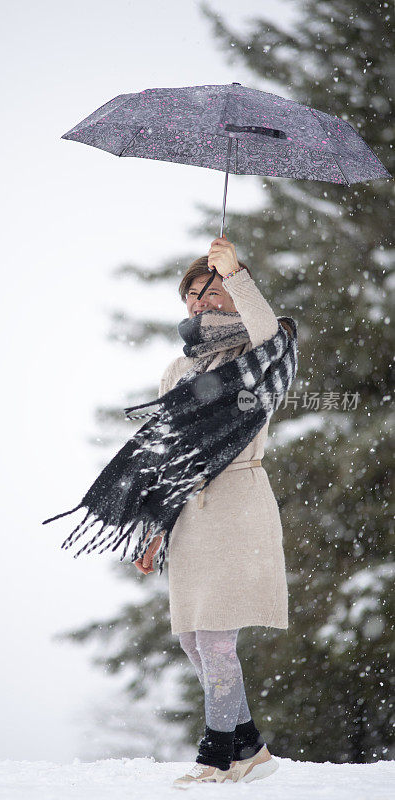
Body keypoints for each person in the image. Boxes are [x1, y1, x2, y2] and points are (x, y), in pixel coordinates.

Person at [135, 235, 288, 786]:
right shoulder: (179, 368)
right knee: (193, 636)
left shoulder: (259, 355)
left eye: (208, 288)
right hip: (189, 512)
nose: (198, 302)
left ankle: (218, 754)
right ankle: (249, 745)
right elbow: (163, 450)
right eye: (191, 295)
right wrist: (153, 527)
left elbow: (269, 328)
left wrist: (239, 271)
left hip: (236, 504)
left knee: (218, 636)